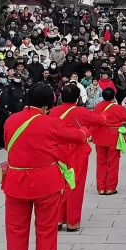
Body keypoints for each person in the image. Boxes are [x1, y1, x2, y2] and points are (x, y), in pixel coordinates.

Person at [2, 83, 88, 250]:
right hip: (46, 183)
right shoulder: (50, 123)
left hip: (16, 181)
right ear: (48, 104)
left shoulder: (11, 120)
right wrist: (84, 130)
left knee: (15, 232)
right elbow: (78, 137)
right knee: (46, 232)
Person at [49, 84, 106, 231]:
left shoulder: (53, 111)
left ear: (61, 97)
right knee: (76, 185)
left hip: (57, 151)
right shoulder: (81, 111)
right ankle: (73, 222)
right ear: (77, 98)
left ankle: (57, 219)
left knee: (59, 185)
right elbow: (101, 120)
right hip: (77, 152)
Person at [92, 88, 126, 195]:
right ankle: (110, 188)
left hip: (99, 137)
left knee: (101, 162)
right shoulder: (118, 108)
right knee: (112, 163)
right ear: (113, 97)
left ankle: (101, 188)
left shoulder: (97, 107)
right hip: (113, 137)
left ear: (102, 96)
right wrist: (125, 133)